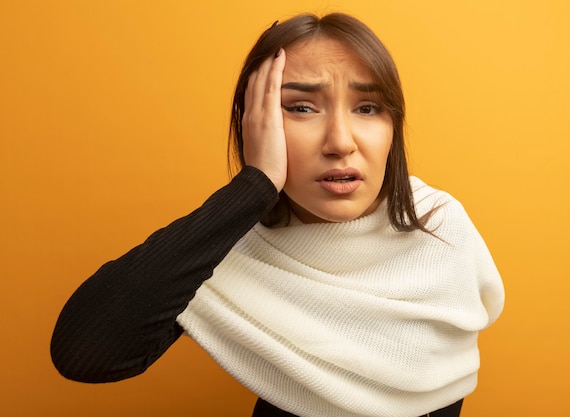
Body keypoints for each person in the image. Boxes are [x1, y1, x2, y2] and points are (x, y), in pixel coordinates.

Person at [50, 13, 504, 417]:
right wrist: (254, 185)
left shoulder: (439, 226)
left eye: (368, 108)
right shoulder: (226, 247)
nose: (341, 142)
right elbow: (85, 353)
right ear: (255, 122)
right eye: (301, 108)